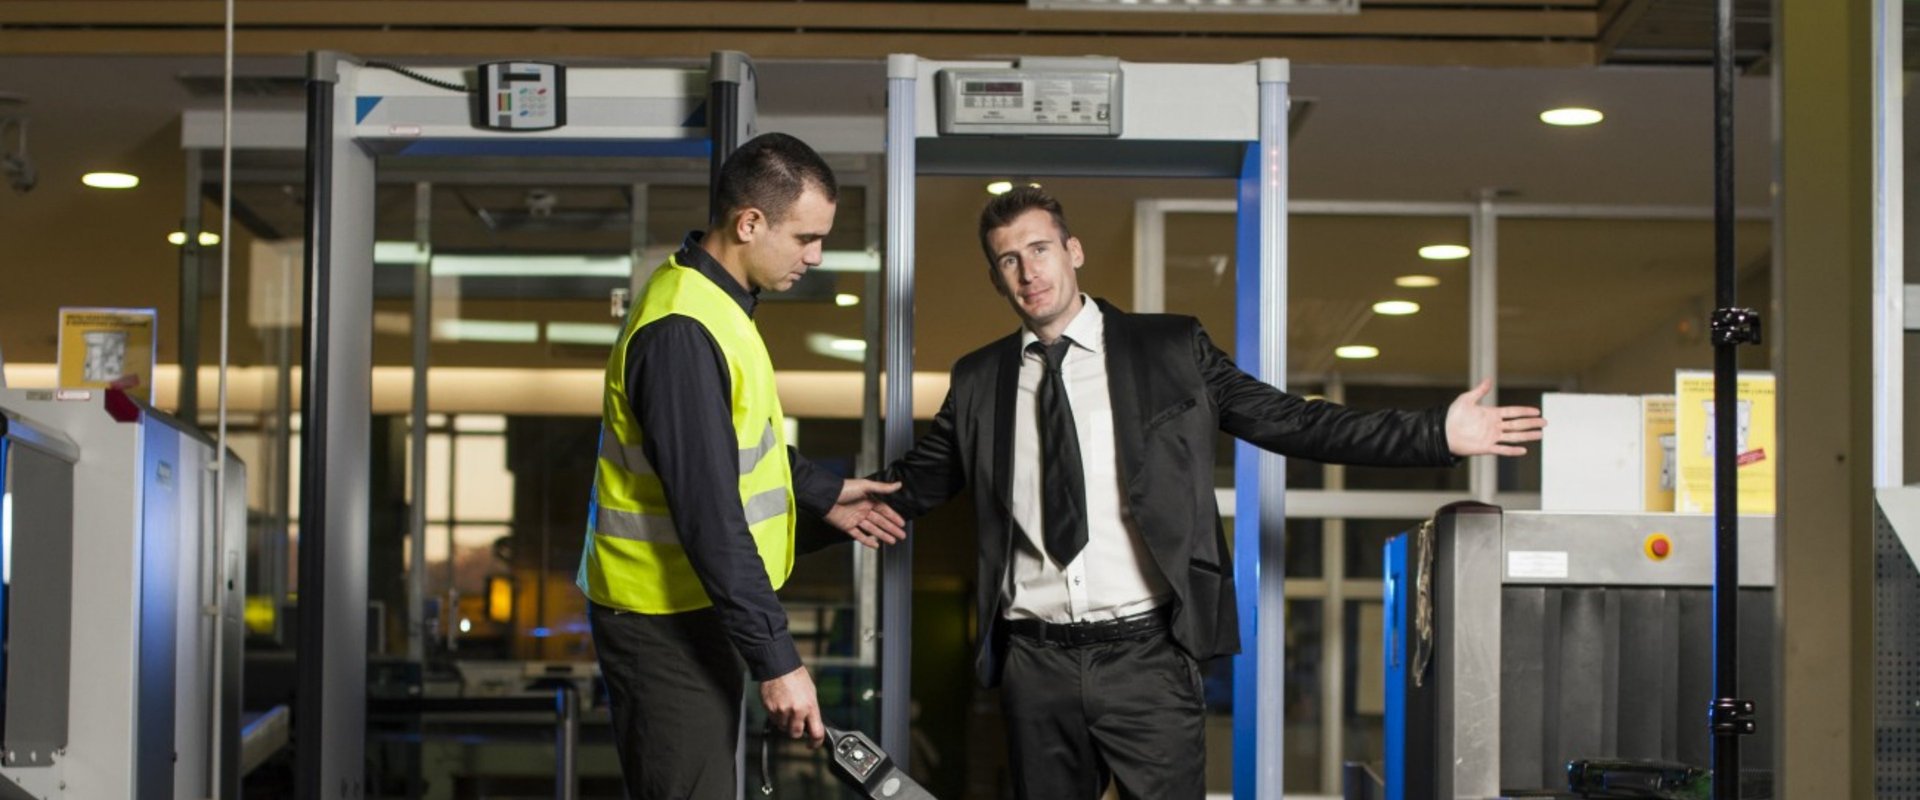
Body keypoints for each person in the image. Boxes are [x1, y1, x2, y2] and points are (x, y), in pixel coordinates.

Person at [874, 187, 1546, 799]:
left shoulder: (1168, 349)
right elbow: (913, 486)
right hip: (1035, 662)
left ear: (1072, 251)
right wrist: (806, 498)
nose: (1029, 272)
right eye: (1009, 260)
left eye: (1040, 249)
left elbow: (1295, 420)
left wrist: (1437, 433)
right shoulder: (979, 380)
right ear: (997, 276)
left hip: (1146, 655)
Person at [577, 132, 908, 800]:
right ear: (749, 222)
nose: (815, 256)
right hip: (661, 621)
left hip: (692, 612)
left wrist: (825, 491)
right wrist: (778, 660)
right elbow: (711, 516)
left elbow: (729, 450)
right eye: (805, 238)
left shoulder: (716, 306)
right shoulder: (682, 330)